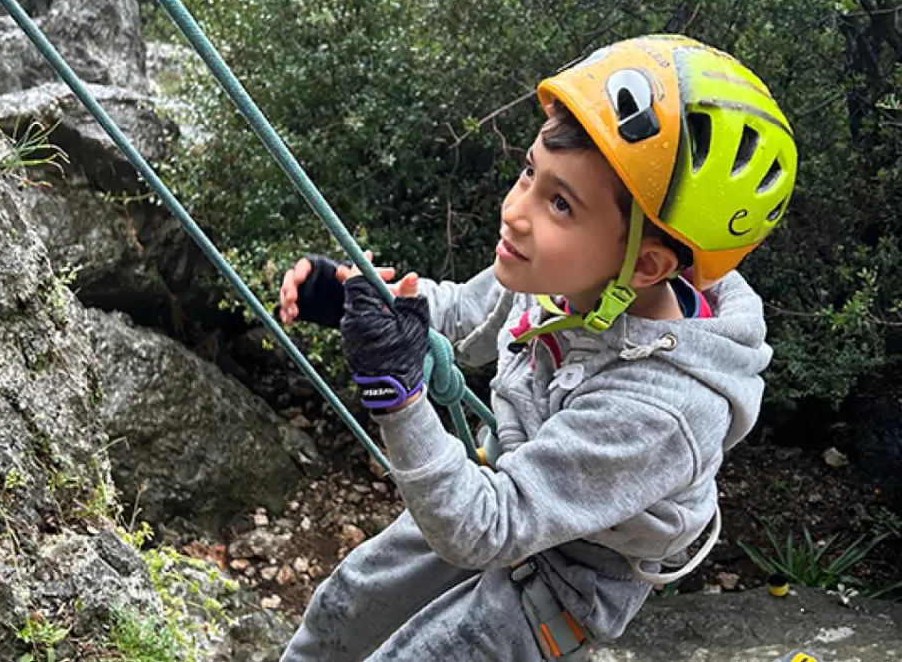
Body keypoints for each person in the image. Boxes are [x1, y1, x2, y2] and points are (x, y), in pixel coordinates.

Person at [275, 34, 798, 661]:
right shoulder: (557, 277)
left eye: (560, 203)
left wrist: (397, 394)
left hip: (563, 585)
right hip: (500, 494)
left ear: (648, 264)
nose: (516, 212)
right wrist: (356, 301)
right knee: (348, 603)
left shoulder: (662, 411)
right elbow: (465, 320)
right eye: (530, 172)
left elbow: (484, 528)